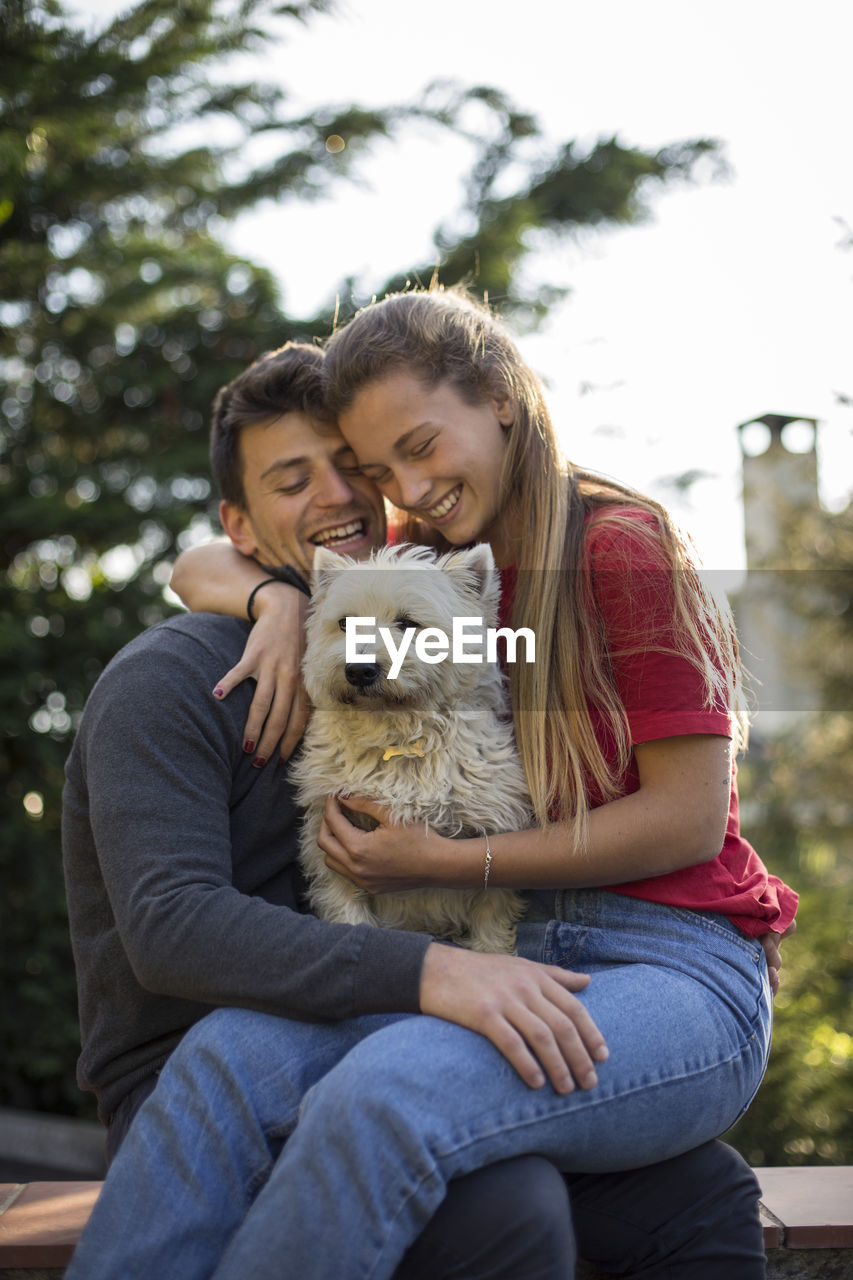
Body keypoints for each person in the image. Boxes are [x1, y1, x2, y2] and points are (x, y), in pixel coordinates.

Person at [63, 325, 783, 1280]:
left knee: (387, 1095)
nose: (396, 492)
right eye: (380, 467)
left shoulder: (618, 548)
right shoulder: (429, 555)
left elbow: (688, 820)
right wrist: (276, 607)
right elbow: (203, 558)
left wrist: (449, 864)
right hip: (510, 947)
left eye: (416, 449)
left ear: (498, 398)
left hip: (667, 960)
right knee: (226, 1056)